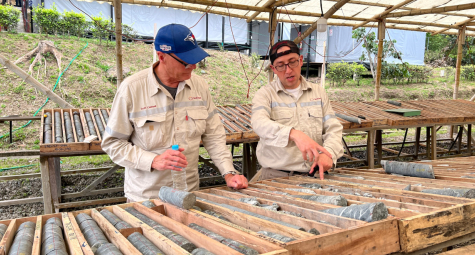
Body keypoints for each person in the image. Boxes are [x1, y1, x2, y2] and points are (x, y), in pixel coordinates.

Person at [102, 24, 248, 202]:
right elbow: (113, 144)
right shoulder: (132, 89)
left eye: (196, 60)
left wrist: (228, 172)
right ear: (161, 56)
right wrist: (153, 161)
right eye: (186, 61)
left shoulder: (200, 86)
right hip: (147, 198)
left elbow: (214, 135)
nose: (193, 66)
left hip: (188, 193)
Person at [251, 40, 343, 181]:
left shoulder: (318, 92)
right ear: (273, 69)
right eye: (280, 66)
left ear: (300, 60)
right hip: (276, 176)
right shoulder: (265, 94)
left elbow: (333, 128)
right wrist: (293, 134)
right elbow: (259, 123)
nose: (288, 70)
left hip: (315, 174)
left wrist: (329, 153)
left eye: (292, 62)